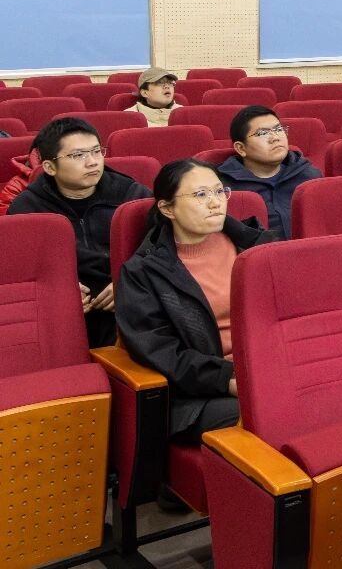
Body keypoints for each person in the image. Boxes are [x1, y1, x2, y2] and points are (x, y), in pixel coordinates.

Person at [116, 158, 276, 443]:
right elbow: (162, 353)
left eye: (219, 191)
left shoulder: (256, 245)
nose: (215, 203)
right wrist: (228, 379)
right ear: (167, 208)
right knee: (273, 413)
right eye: (201, 195)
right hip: (201, 393)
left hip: (269, 368)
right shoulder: (144, 272)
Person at [7, 117, 151, 347]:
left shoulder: (131, 194)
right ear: (50, 167)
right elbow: (18, 271)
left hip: (130, 299)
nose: (92, 162)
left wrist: (129, 282)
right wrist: (58, 291)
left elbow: (161, 246)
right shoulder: (27, 208)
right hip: (63, 310)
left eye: (96, 151)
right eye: (78, 155)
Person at [216, 105, 321, 239]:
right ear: (241, 148)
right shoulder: (222, 186)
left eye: (279, 129)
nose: (275, 137)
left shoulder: (310, 176)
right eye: (263, 133)